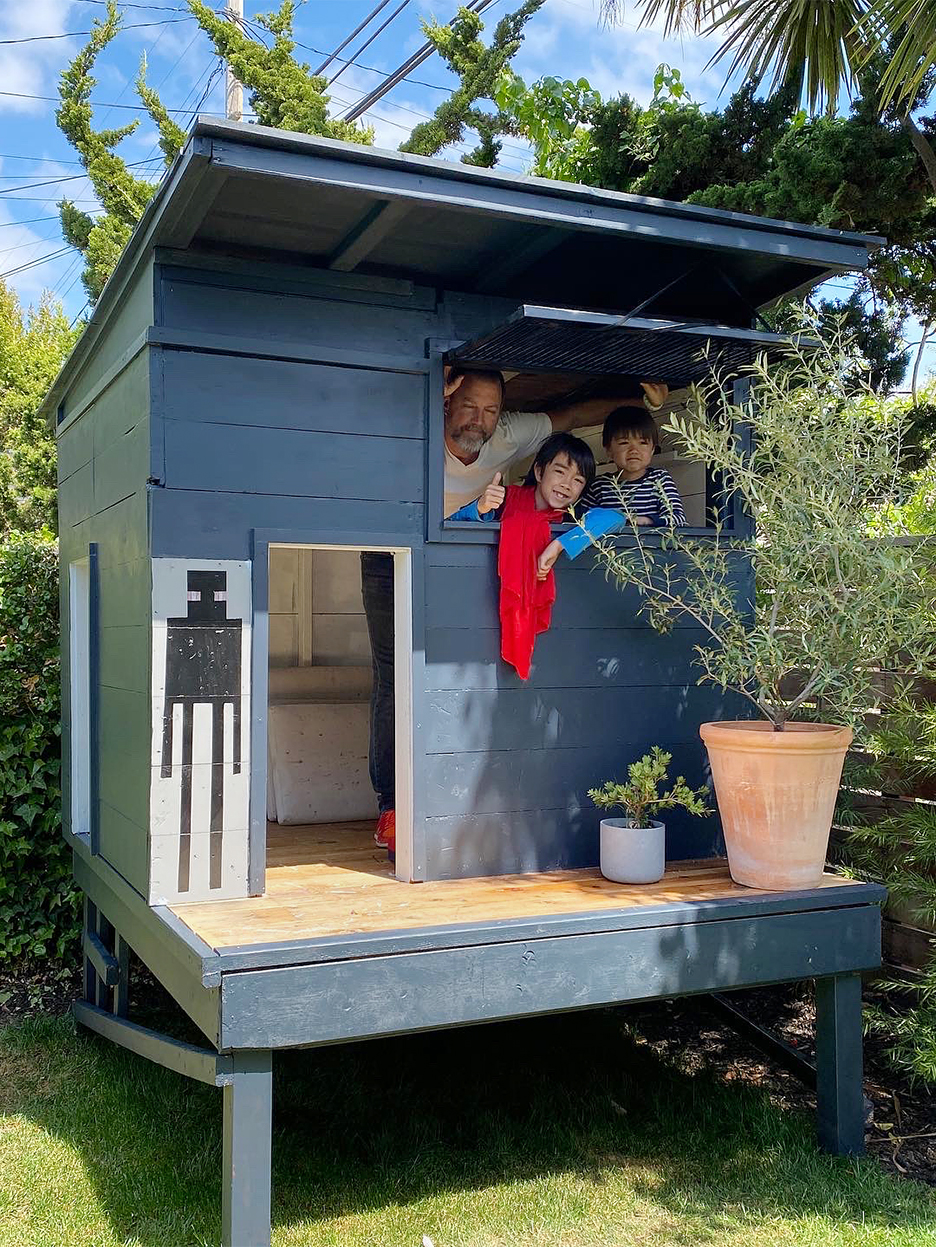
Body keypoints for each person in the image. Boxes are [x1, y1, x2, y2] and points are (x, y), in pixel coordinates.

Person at [362, 371, 668, 861]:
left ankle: (443, 806)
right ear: (444, 401)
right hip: (390, 553)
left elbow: (573, 419)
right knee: (393, 674)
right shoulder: (413, 422)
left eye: (490, 410)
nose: (479, 421)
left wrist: (638, 396)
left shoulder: (510, 440)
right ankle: (392, 807)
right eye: (467, 407)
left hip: (459, 569)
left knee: (457, 678)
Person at [451, 433, 597, 678]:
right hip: (483, 609)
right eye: (560, 472)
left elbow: (615, 518)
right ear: (539, 472)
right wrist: (481, 507)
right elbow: (452, 526)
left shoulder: (572, 519)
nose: (566, 484)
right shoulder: (505, 499)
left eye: (578, 479)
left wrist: (559, 544)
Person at [536, 407, 687, 582]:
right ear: (608, 450)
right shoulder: (600, 485)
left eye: (643, 443)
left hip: (653, 566)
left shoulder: (660, 479)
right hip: (603, 566)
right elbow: (580, 521)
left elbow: (679, 520)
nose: (634, 450)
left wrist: (646, 521)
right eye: (624, 443)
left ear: (653, 449)